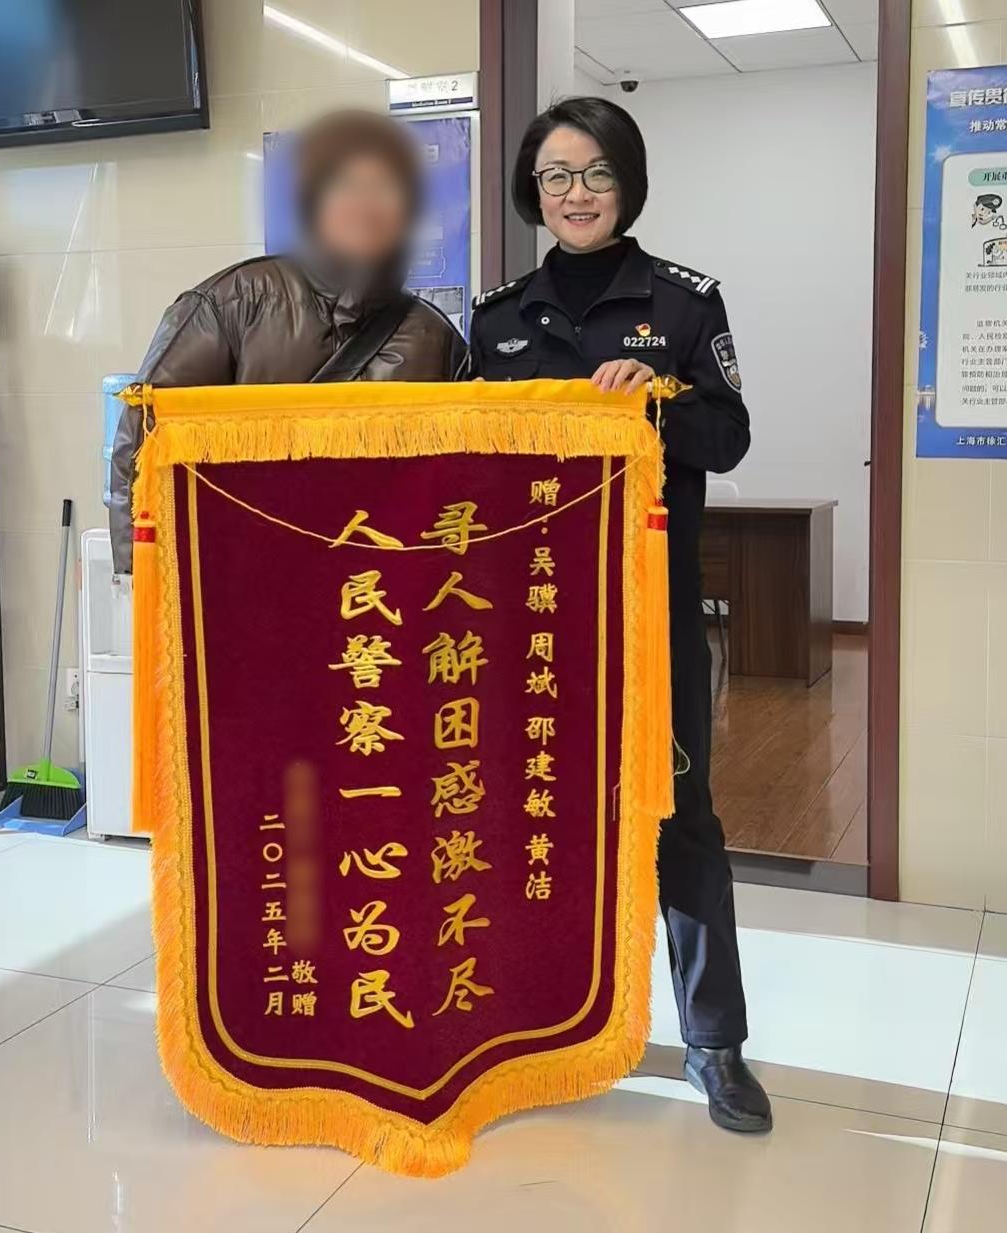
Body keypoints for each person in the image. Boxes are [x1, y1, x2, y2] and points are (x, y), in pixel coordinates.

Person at [468, 96, 771, 1133]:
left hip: (649, 618)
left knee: (681, 819)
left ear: (628, 184)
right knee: (529, 812)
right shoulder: (496, 319)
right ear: (533, 191)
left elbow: (728, 438)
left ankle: (715, 1043)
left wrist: (660, 397)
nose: (576, 193)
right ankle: (530, 1025)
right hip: (527, 624)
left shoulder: (683, 303)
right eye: (555, 175)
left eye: (596, 173)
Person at [109, 108, 466, 573]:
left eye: (386, 188)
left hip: (377, 581)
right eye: (347, 185)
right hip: (245, 576)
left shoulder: (434, 337)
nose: (367, 205)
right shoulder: (234, 303)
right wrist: (141, 581)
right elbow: (143, 447)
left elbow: (460, 478)